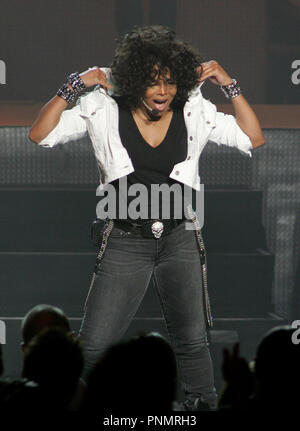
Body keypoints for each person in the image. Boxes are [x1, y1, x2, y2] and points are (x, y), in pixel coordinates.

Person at [29, 25, 265, 411]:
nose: (162, 92)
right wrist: (74, 85)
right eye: (154, 82)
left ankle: (201, 408)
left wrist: (229, 84)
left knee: (192, 342)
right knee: (93, 345)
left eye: (171, 82)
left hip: (180, 239)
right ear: (136, 78)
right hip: (125, 240)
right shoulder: (102, 108)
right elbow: (41, 134)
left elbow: (252, 137)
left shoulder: (194, 110)